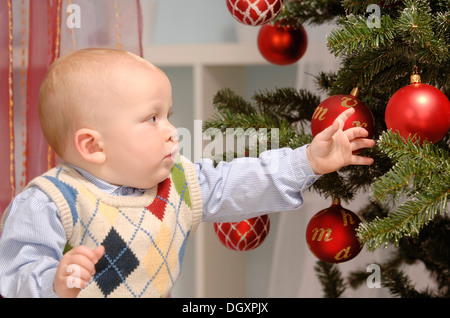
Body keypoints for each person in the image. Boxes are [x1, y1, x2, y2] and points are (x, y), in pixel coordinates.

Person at [0, 48, 375, 298]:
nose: (170, 130)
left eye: (169, 116)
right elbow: (12, 280)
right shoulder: (51, 202)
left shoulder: (179, 182)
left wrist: (309, 160)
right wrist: (52, 282)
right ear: (93, 146)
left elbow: (243, 181)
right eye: (151, 118)